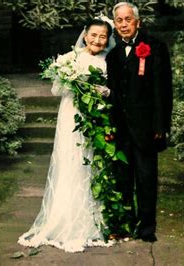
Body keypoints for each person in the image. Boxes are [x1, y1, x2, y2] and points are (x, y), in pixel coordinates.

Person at [18, 18, 116, 253]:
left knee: (93, 160)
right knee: (71, 160)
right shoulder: (70, 59)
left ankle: (94, 217)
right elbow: (57, 88)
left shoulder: (108, 62)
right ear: (85, 35)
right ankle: (65, 216)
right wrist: (71, 81)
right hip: (72, 114)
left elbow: (116, 89)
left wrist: (105, 91)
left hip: (97, 117)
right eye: (93, 35)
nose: (97, 40)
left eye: (103, 36)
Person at [106, 2, 173, 242]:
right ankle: (126, 224)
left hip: (146, 128)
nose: (124, 24)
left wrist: (160, 125)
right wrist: (110, 125)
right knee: (123, 179)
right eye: (119, 20)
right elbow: (114, 92)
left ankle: (147, 228)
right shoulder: (113, 55)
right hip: (121, 129)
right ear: (115, 24)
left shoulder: (154, 47)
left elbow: (162, 89)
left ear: (137, 22)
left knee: (146, 179)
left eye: (128, 19)